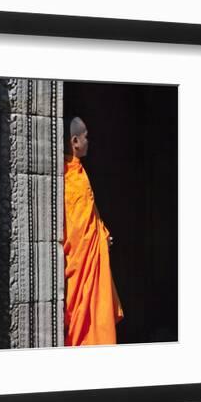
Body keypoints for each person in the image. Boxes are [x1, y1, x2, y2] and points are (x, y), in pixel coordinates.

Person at [61, 117, 124, 346]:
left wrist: (102, 234)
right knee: (86, 328)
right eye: (86, 136)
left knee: (98, 324)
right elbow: (76, 233)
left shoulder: (78, 173)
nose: (90, 141)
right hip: (81, 271)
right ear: (75, 141)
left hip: (92, 266)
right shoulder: (69, 178)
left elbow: (89, 217)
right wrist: (96, 241)